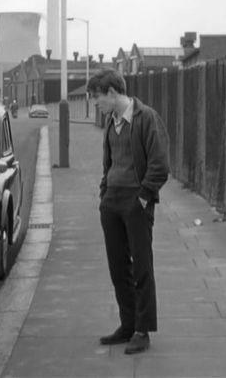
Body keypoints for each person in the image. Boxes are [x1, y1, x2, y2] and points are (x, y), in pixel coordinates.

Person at [86, 68, 169, 355]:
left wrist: (144, 197)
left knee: (142, 267)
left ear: (112, 92)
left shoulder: (146, 118)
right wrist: (104, 193)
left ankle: (142, 330)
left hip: (136, 202)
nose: (96, 104)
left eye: (98, 98)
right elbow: (109, 164)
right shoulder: (111, 122)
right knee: (118, 266)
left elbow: (160, 164)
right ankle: (127, 324)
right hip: (112, 203)